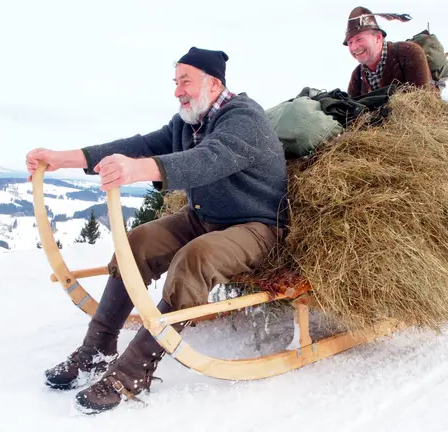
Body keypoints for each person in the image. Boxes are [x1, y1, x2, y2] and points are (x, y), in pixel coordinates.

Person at [25, 46, 288, 414]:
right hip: (204, 218)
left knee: (195, 258)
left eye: (185, 81)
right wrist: (62, 158)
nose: (178, 90)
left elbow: (207, 159)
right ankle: (97, 347)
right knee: (138, 242)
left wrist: (138, 169)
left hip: (257, 226)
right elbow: (139, 146)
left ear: (213, 84)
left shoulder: (244, 118)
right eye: (175, 82)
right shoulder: (186, 123)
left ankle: (133, 371)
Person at [344, 6, 433, 97]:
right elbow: (349, 107)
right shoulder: (357, 75)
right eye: (350, 42)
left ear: (378, 37)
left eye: (359, 39)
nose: (354, 47)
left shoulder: (409, 53)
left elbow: (422, 101)